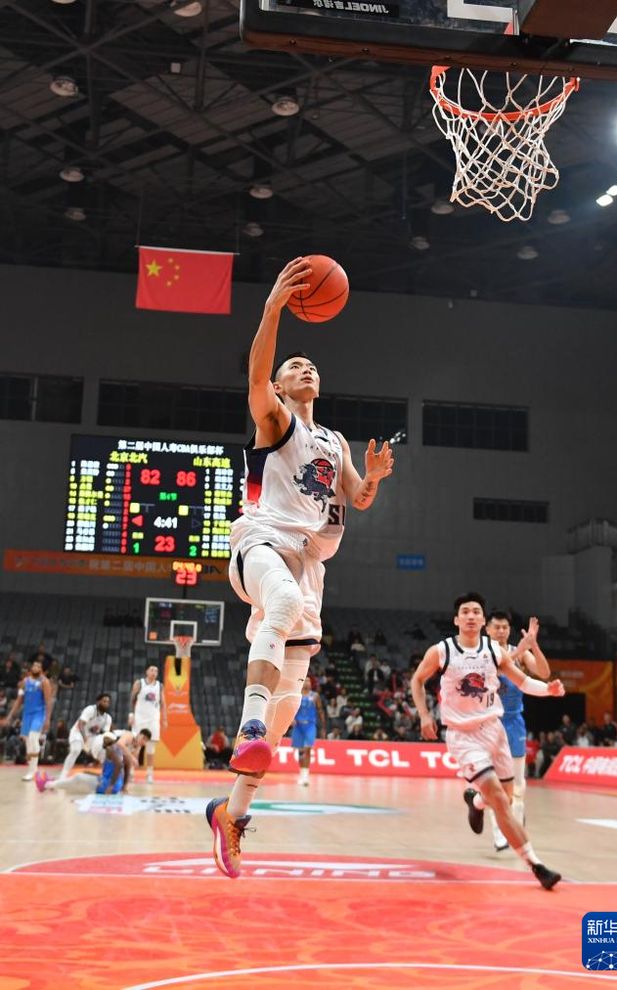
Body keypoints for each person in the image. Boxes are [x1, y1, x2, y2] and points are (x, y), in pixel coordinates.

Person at [205, 257, 394, 879]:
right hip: (261, 541)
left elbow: (356, 499)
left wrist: (373, 478)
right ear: (281, 387)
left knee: (287, 710)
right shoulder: (275, 419)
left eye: (311, 364)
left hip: (310, 564)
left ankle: (230, 813)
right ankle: (247, 725)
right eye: (294, 366)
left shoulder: (334, 441)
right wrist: (272, 310)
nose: (305, 367)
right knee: (280, 607)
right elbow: (256, 373)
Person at [410, 592, 565, 890]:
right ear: (456, 619)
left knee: (504, 798)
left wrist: (549, 690)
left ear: (483, 620)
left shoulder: (494, 651)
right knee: (500, 798)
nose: (470, 616)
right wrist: (424, 715)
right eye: (465, 611)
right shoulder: (442, 651)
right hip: (463, 735)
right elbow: (417, 680)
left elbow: (522, 681)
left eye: (475, 611)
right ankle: (536, 865)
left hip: (495, 731)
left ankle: (476, 802)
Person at [485, 609, 551, 850]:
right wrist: (519, 651)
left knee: (518, 786)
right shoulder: (482, 653)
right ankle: (499, 834)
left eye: (505, 627)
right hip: (489, 723)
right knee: (494, 784)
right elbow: (496, 668)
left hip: (514, 723)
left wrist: (533, 646)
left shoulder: (520, 652)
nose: (501, 631)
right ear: (487, 629)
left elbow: (544, 673)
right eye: (496, 627)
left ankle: (517, 830)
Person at [36, 730, 151, 795]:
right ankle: (52, 783)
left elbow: (120, 765)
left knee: (77, 779)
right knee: (81, 776)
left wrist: (111, 786)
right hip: (113, 784)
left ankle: (47, 785)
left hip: (108, 785)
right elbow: (122, 767)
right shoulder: (118, 751)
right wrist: (123, 787)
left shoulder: (112, 749)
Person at [1, 659, 52, 780]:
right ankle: (31, 769)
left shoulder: (44, 682)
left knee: (34, 738)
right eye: (34, 665)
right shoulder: (25, 682)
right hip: (27, 715)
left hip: (38, 714)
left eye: (38, 666)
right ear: (31, 668)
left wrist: (47, 719)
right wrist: (10, 716)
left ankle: (34, 771)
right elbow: (19, 701)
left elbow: (48, 702)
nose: (35, 667)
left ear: (41, 669)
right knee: (28, 742)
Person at [53, 693, 113, 785]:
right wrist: (84, 737)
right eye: (104, 701)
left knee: (105, 754)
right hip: (78, 733)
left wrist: (103, 747)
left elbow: (105, 735)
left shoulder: (108, 718)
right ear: (98, 702)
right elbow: (81, 724)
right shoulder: (90, 709)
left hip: (91, 737)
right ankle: (63, 776)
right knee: (76, 750)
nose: (106, 703)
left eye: (108, 702)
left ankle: (107, 777)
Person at [130, 664, 166, 783]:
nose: (154, 672)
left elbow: (163, 703)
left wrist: (164, 719)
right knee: (136, 746)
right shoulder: (139, 683)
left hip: (153, 719)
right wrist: (131, 714)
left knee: (151, 748)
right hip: (140, 718)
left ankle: (149, 774)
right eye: (151, 670)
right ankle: (131, 771)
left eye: (156, 670)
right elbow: (132, 699)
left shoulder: (160, 686)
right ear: (147, 672)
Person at [291, 676, 326, 786]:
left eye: (309, 681)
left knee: (307, 749)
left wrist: (323, 727)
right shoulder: (296, 695)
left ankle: (306, 776)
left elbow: (320, 711)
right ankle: (302, 773)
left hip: (310, 726)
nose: (307, 683)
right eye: (305, 680)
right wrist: (291, 719)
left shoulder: (315, 696)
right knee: (300, 751)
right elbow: (291, 709)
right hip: (298, 726)